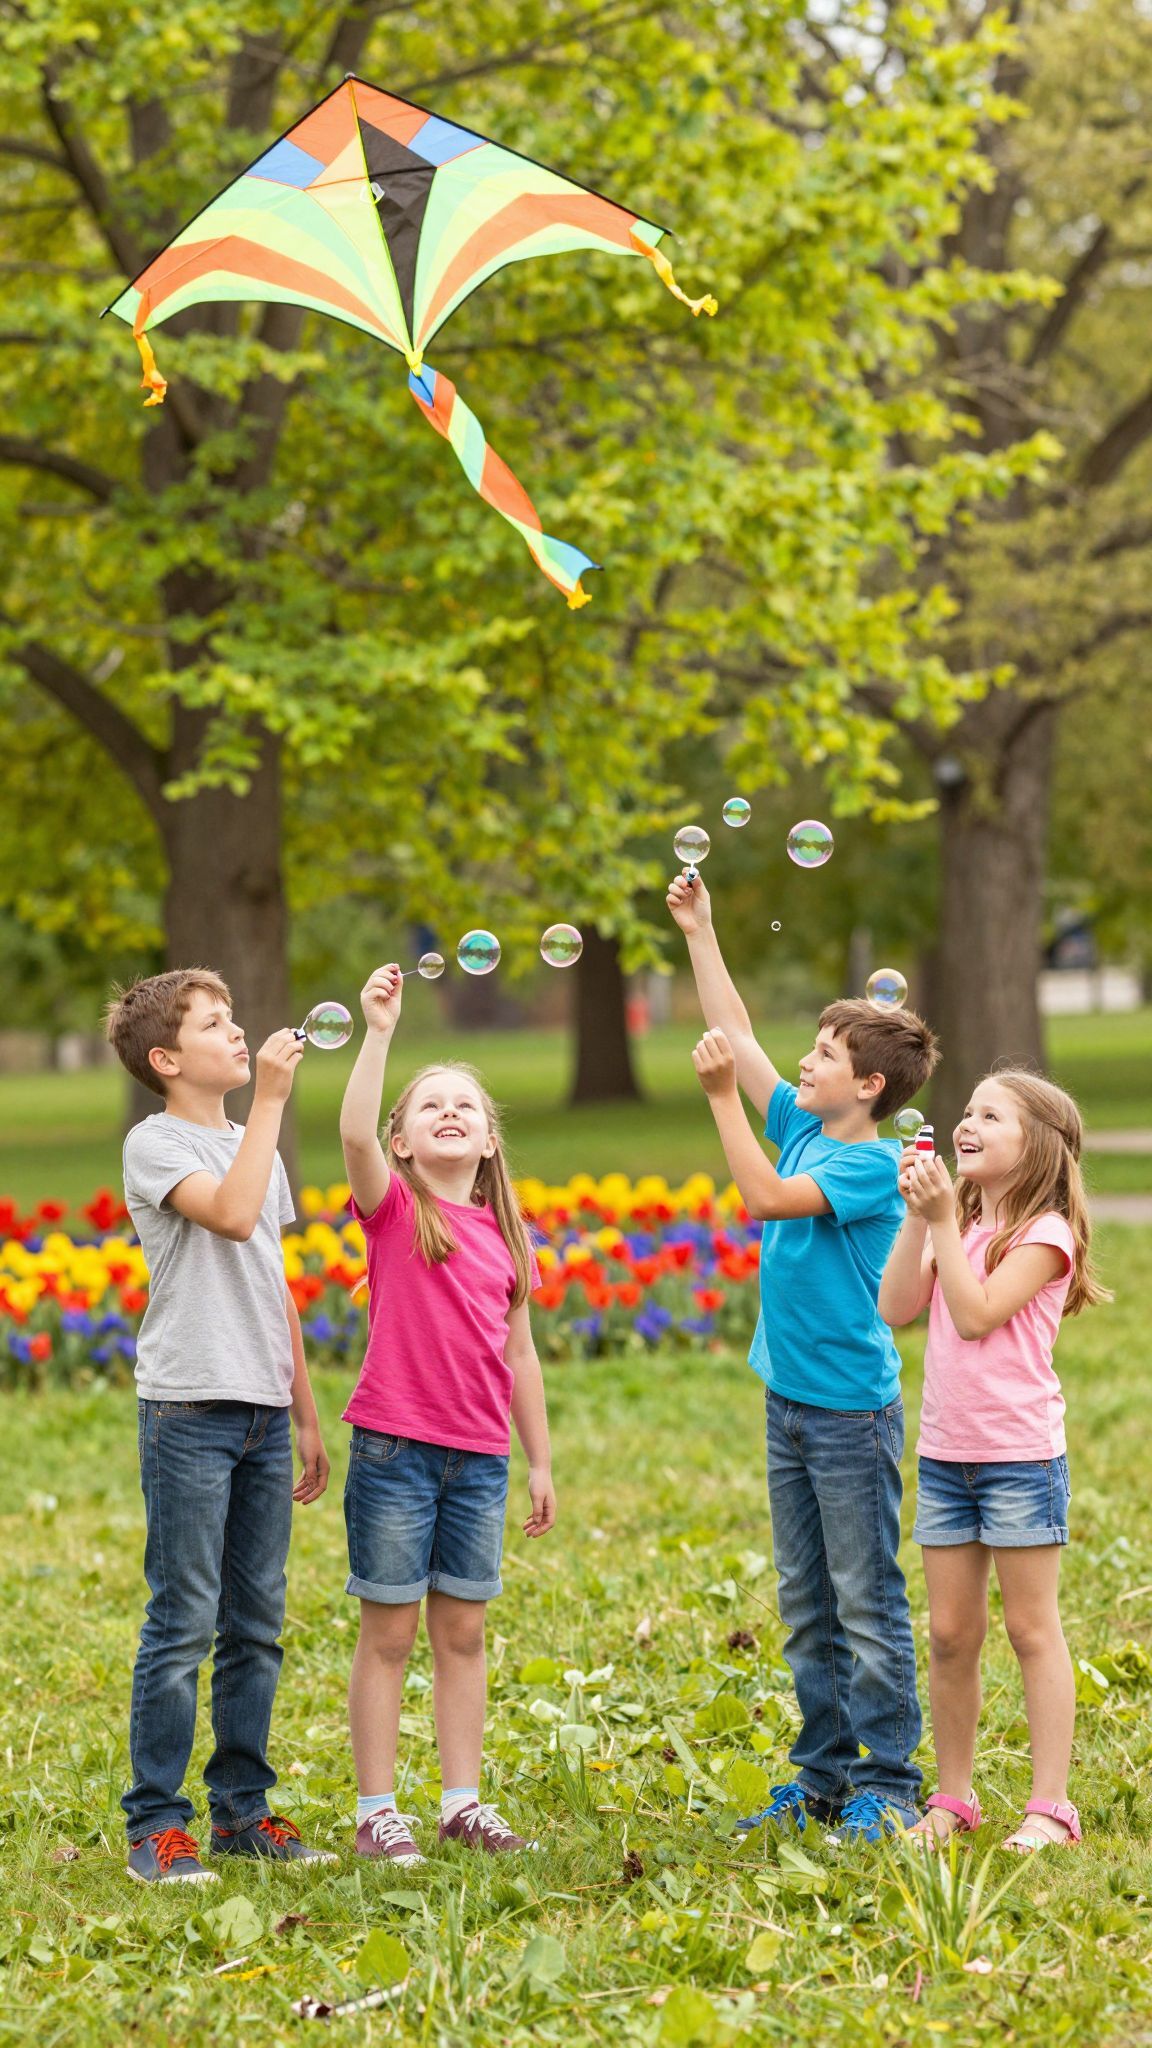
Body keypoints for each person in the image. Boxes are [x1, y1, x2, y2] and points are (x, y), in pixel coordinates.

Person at [668, 872, 939, 1841]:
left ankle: (888, 1780)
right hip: (788, 1399)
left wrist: (716, 1103)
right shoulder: (804, 1122)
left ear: (868, 1084)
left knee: (865, 1598)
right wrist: (702, 930)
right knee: (804, 1599)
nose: (800, 1063)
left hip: (849, 1414)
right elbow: (736, 1032)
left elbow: (763, 1200)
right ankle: (821, 1777)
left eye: (823, 1054)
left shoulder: (865, 1162)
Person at [106, 969, 332, 1885]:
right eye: (214, 1023)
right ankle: (157, 1824)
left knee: (257, 1622)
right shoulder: (154, 1145)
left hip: (263, 1414)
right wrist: (274, 1099)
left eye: (235, 1018)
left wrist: (306, 1413)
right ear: (167, 1059)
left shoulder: (255, 1146)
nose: (239, 1033)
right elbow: (234, 1219)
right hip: (188, 1410)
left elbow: (272, 1283)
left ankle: (244, 1813)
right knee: (182, 1619)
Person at [338, 964, 556, 1863]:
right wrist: (380, 1033)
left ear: (491, 1140)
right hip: (395, 1453)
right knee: (388, 1634)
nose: (451, 1113)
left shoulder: (508, 1238)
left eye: (466, 1105)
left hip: (479, 1460)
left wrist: (539, 1460)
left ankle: (462, 1803)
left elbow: (521, 1353)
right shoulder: (395, 1211)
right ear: (401, 1143)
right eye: (431, 1107)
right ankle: (375, 1810)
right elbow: (351, 1128)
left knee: (462, 1633)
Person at [879, 1069, 1108, 1852]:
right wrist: (921, 1219)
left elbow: (975, 1317)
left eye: (989, 1114)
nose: (965, 1123)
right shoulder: (960, 1226)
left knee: (1031, 1629)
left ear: (1036, 1144)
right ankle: (952, 1799)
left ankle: (1050, 1809)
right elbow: (896, 1307)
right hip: (947, 1457)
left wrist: (946, 1218)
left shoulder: (1045, 1236)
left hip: (1018, 1460)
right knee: (949, 1634)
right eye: (966, 1110)